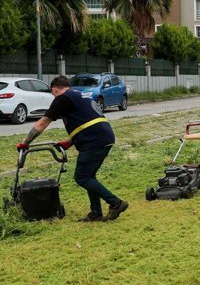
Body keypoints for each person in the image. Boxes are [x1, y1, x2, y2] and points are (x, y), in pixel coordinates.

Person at [16, 76, 128, 222]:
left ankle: (115, 203)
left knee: (82, 177)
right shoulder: (81, 95)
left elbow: (43, 122)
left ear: (54, 89)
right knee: (89, 176)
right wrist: (69, 142)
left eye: (53, 93)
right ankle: (96, 213)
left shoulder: (62, 98)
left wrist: (25, 142)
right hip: (103, 137)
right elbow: (86, 121)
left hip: (94, 141)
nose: (53, 96)